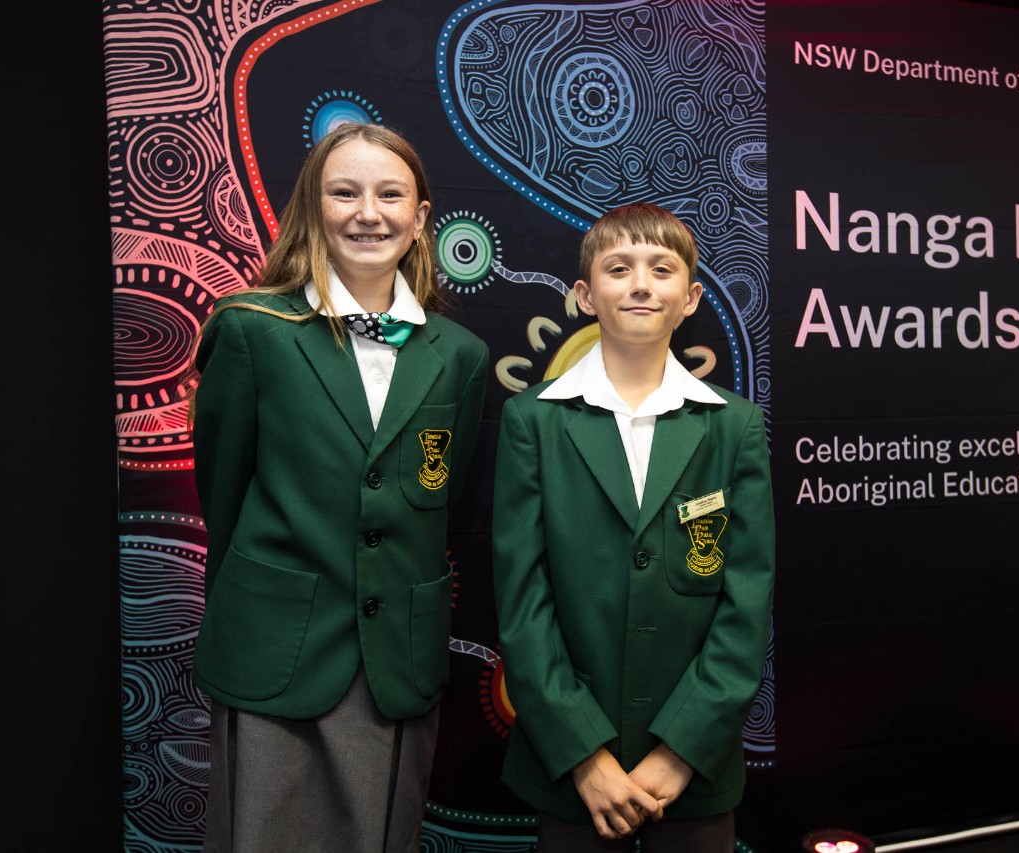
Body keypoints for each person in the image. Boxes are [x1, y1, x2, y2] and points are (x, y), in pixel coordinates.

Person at [187, 121, 489, 852]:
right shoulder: (252, 329)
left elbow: (446, 509)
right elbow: (222, 494)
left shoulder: (462, 355)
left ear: (420, 219)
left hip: (394, 657)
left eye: (390, 195)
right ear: (313, 207)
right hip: (275, 643)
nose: (368, 212)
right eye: (344, 192)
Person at [491, 202, 776, 851]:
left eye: (662, 269)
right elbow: (522, 602)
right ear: (585, 295)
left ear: (691, 296)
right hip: (571, 770)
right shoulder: (533, 421)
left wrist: (681, 750)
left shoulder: (733, 426)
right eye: (619, 268)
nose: (641, 283)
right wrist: (584, 756)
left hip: (694, 768)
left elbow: (747, 601)